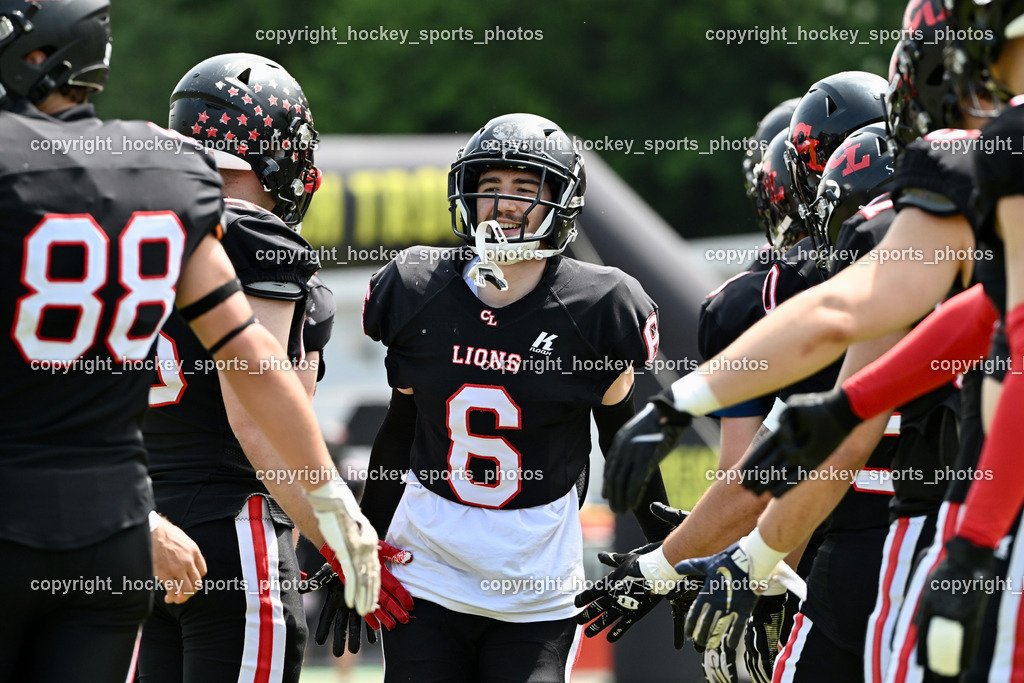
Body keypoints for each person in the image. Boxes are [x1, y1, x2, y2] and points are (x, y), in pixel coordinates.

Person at [0, 5, 378, 682]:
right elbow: (253, 374)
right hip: (150, 524)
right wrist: (335, 515)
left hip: (119, 513)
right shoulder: (159, 182)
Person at [358, 112, 677, 682]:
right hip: (427, 566)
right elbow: (399, 428)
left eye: (524, 189)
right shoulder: (418, 287)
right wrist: (360, 544)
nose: (502, 203)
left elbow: (622, 438)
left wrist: (660, 554)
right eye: (489, 186)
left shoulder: (598, 305)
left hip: (536, 582)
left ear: (561, 201)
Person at [139, 53, 384, 683]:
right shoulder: (254, 236)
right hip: (232, 529)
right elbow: (257, 425)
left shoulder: (135, 235)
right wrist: (334, 535)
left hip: (146, 531)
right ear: (279, 156)